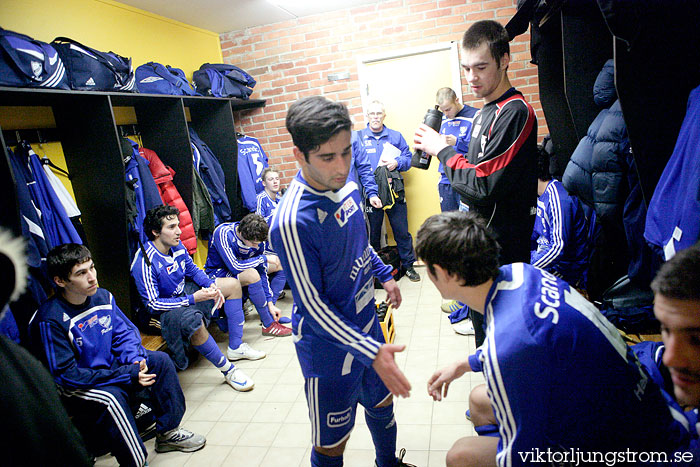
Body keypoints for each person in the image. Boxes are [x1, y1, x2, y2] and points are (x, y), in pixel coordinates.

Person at [415, 211, 693, 467]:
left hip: (616, 446)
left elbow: (521, 454)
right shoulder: (521, 273)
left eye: (429, 269)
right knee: (478, 399)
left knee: (461, 455)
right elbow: (531, 340)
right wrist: (465, 363)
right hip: (635, 402)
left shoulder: (509, 344)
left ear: (446, 274)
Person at [270, 96, 414, 467]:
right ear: (300, 155)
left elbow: (358, 245)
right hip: (328, 351)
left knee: (382, 405)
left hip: (368, 327)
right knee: (333, 443)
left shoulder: (348, 187)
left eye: (347, 152)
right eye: (328, 157)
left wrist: (384, 274)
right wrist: (370, 352)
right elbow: (313, 307)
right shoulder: (290, 221)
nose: (342, 165)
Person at [414, 20, 538, 346]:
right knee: (484, 336)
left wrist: (442, 150)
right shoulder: (484, 112)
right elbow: (471, 170)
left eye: (481, 67)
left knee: (503, 343)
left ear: (505, 60)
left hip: (503, 249)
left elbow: (483, 184)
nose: (471, 78)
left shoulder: (516, 112)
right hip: (480, 243)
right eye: (467, 68)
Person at [31, 243, 206, 466]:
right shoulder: (51, 319)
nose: (92, 277)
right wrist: (127, 374)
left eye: (92, 268)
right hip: (76, 384)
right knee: (111, 397)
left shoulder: (103, 297)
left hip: (109, 368)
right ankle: (136, 462)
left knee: (160, 361)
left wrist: (135, 359)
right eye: (81, 273)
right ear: (60, 281)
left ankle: (168, 433)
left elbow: (123, 334)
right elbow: (66, 375)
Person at [131, 205, 257, 390]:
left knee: (231, 285)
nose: (179, 231)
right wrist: (193, 299)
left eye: (178, 225)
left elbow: (192, 270)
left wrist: (210, 286)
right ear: (155, 232)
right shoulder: (145, 261)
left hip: (181, 293)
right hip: (158, 313)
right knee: (193, 321)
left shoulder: (176, 245)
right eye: (171, 227)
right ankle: (228, 370)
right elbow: (153, 304)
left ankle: (236, 347)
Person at [358, 99, 420, 282]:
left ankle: (409, 266)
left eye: (379, 113)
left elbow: (409, 159)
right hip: (371, 193)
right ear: (367, 116)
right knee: (373, 234)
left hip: (394, 191)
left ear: (384, 116)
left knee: (401, 231)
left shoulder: (395, 136)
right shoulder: (358, 137)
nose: (376, 117)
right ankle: (375, 272)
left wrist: (397, 162)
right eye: (372, 114)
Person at [205, 213, 292, 337]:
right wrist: (263, 258)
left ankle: (268, 318)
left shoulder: (256, 241)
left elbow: (262, 272)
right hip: (216, 275)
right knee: (251, 273)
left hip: (238, 274)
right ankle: (268, 323)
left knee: (259, 271)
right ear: (242, 235)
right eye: (253, 243)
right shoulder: (223, 232)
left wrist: (270, 304)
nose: (257, 246)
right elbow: (234, 267)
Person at [531, 146, 590, 288]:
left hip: (565, 271)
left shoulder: (557, 197)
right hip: (546, 261)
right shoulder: (539, 196)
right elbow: (533, 235)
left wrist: (528, 267)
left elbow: (558, 249)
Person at [435, 87, 478, 213]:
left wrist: (458, 142)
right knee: (448, 223)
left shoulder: (475, 116)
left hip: (466, 177)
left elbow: (480, 149)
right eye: (443, 111)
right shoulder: (441, 119)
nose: (446, 114)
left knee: (467, 222)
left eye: (448, 109)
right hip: (445, 177)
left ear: (457, 100)